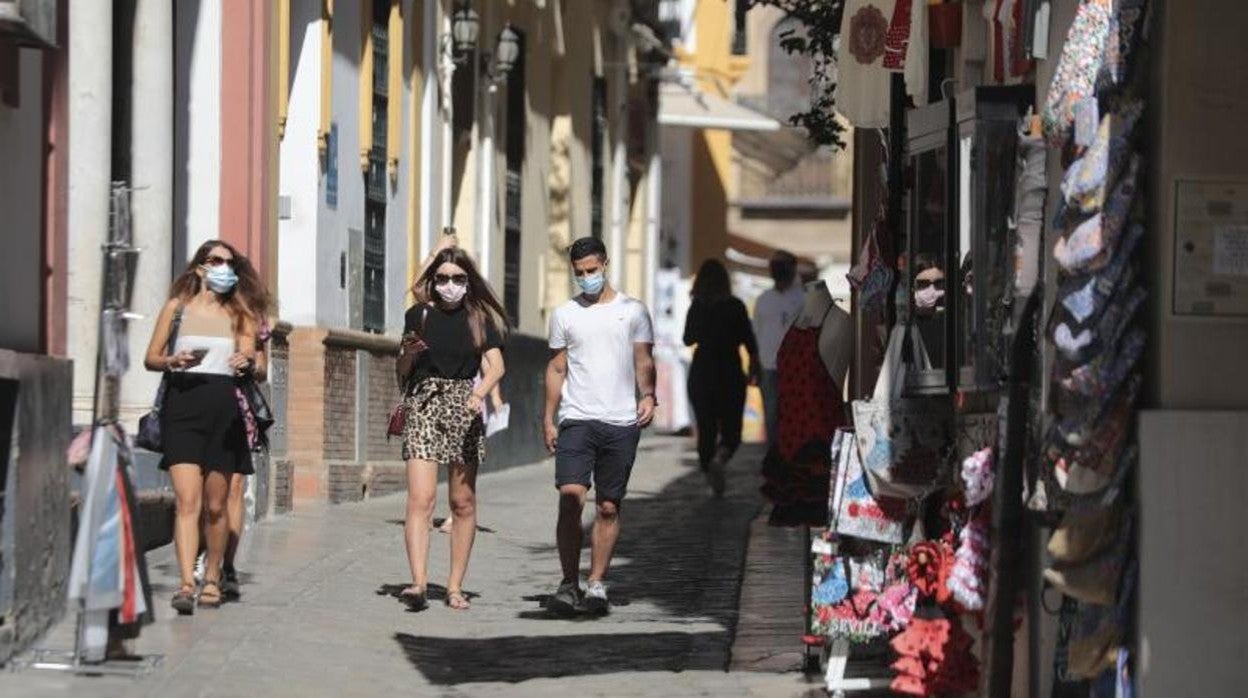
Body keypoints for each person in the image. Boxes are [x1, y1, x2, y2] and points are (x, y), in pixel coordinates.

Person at [144, 239, 269, 614]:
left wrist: (246, 362)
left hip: (224, 411)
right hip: (182, 409)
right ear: (200, 267)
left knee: (216, 506)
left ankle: (213, 575)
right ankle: (186, 584)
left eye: (229, 263)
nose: (224, 268)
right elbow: (150, 358)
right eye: (216, 261)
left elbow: (254, 361)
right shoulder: (176, 308)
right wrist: (171, 360)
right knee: (187, 502)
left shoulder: (240, 313)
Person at [543, 237, 656, 615]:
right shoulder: (564, 315)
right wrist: (548, 416)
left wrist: (648, 394)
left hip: (621, 421)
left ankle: (596, 585)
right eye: (580, 273)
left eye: (592, 270)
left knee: (608, 506)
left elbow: (643, 360)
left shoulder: (633, 311)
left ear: (605, 263)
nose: (587, 278)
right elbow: (557, 367)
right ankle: (567, 582)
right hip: (577, 417)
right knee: (570, 497)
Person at [397, 234, 507, 612]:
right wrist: (408, 355)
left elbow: (497, 367)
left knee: (462, 501)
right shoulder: (419, 314)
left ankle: (455, 586)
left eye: (458, 278)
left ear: (468, 282)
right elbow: (404, 369)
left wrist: (479, 395)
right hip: (424, 404)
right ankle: (418, 583)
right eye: (442, 278)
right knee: (421, 499)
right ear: (433, 280)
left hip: (464, 407)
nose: (449, 285)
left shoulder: (480, 319)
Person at [682, 259, 759, 496]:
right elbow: (750, 342)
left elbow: (687, 339)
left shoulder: (698, 306)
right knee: (732, 430)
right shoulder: (736, 305)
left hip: (702, 371)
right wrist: (754, 370)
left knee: (705, 428)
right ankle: (722, 456)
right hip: (730, 372)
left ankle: (709, 473)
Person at [752, 250, 805, 447]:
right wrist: (754, 364)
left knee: (795, 412)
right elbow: (755, 334)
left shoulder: (803, 298)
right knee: (772, 414)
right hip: (769, 366)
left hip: (797, 367)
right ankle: (775, 456)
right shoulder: (764, 300)